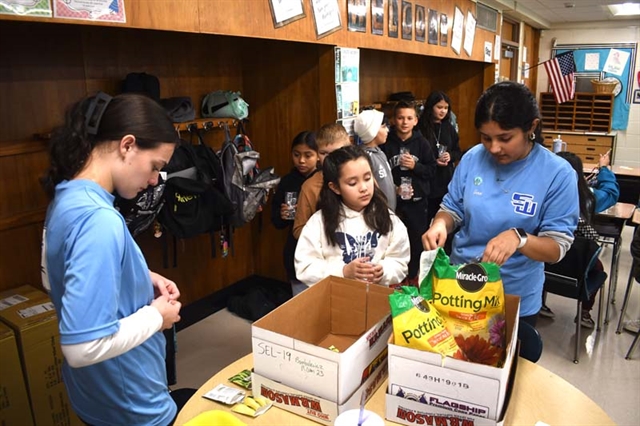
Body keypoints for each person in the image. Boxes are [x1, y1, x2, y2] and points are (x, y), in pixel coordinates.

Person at [40, 92, 184, 426]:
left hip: (96, 396)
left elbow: (65, 272)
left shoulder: (68, 198)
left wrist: (139, 274)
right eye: (155, 167)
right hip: (130, 403)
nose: (152, 181)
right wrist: (156, 316)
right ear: (128, 145)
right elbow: (82, 347)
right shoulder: (98, 219)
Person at [421, 81, 579, 327]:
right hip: (459, 289)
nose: (494, 148)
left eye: (505, 138)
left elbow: (556, 248)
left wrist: (520, 238)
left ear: (531, 128)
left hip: (512, 296)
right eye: (486, 138)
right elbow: (452, 208)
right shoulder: (473, 158)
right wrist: (440, 224)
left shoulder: (557, 173)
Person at [295, 145, 409, 287]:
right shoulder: (319, 222)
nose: (363, 188)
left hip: (377, 299)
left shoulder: (388, 217)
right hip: (336, 300)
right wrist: (343, 272)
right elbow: (305, 266)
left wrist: (383, 271)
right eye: (353, 183)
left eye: (367, 178)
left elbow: (400, 260)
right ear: (335, 187)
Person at [540, 150, 620, 323]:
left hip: (544, 262)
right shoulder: (589, 197)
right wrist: (604, 169)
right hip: (577, 264)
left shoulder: (540, 195)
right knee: (597, 269)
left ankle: (539, 303)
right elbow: (611, 193)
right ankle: (584, 312)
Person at [383, 100, 436, 281]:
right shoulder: (386, 143)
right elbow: (379, 174)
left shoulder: (422, 144)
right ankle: (396, 277)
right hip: (393, 203)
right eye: (400, 118)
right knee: (393, 240)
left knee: (415, 239)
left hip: (417, 202)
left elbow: (432, 170)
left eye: (409, 118)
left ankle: (414, 276)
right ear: (393, 120)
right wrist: (393, 188)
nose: (404, 122)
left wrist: (416, 166)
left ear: (415, 121)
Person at [271, 131, 319, 295]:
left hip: (319, 246)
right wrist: (282, 214)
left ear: (318, 156)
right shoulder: (287, 181)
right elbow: (276, 221)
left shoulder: (323, 180)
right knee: (300, 298)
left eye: (308, 155)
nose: (301, 160)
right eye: (296, 154)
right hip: (295, 246)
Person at [293, 123, 351, 240]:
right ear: (318, 154)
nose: (330, 158)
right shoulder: (310, 186)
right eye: (324, 153)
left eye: (336, 152)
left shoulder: (362, 176)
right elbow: (298, 230)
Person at [419, 91, 462, 226]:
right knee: (427, 219)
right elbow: (418, 154)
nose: (443, 111)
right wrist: (433, 162)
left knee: (444, 216)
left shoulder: (448, 127)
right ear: (431, 107)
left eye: (446, 108)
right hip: (428, 180)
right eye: (439, 107)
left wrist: (451, 156)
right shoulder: (421, 127)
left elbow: (457, 151)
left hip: (446, 179)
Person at [353, 109, 397, 211]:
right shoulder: (364, 158)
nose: (387, 130)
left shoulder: (380, 152)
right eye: (383, 127)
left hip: (389, 212)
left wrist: (396, 189)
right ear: (372, 130)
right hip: (377, 213)